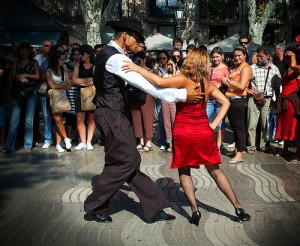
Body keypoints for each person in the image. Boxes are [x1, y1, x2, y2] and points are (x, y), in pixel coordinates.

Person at [83, 17, 202, 224]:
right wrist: (183, 96)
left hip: (113, 113)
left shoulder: (108, 54)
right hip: (112, 114)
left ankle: (153, 208)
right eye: (136, 39)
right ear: (125, 36)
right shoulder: (117, 59)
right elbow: (150, 87)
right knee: (126, 161)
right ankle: (94, 205)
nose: (138, 44)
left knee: (128, 161)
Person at [122, 47, 251, 225]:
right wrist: (213, 124)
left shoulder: (183, 79)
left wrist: (137, 68)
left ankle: (194, 210)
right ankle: (237, 207)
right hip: (203, 131)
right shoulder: (207, 83)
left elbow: (159, 81)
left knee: (184, 170)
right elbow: (225, 102)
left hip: (183, 130)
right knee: (215, 171)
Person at [3, 42, 40, 153]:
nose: (24, 52)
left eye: (26, 50)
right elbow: (13, 76)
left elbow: (37, 76)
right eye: (22, 50)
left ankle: (28, 144)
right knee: (14, 120)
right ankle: (9, 145)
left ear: (29, 52)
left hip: (31, 92)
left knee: (29, 120)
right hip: (18, 92)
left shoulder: (34, 62)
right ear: (19, 51)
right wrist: (19, 77)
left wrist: (27, 75)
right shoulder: (16, 62)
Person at [221, 45, 253, 163]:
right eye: (235, 56)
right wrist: (225, 80)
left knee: (239, 128)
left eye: (239, 55)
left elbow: (242, 86)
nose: (237, 58)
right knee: (235, 127)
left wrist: (229, 81)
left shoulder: (245, 68)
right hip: (231, 100)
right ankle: (236, 150)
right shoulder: (235, 67)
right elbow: (225, 78)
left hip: (238, 100)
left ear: (245, 55)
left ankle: (239, 153)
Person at [247, 47, 281, 153]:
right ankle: (251, 145)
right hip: (254, 98)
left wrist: (276, 100)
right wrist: (248, 89)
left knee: (265, 124)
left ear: (268, 56)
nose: (259, 58)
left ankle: (264, 145)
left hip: (268, 99)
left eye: (261, 56)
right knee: (251, 124)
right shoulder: (252, 68)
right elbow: (243, 81)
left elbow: (278, 86)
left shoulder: (274, 69)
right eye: (258, 56)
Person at [275, 46, 300, 163]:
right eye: (285, 56)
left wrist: (293, 55)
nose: (286, 58)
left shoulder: (297, 68)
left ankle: (297, 153)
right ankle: (285, 149)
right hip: (284, 101)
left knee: (294, 127)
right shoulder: (286, 70)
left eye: (288, 57)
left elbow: (294, 66)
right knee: (285, 125)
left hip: (293, 102)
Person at [45, 50, 72, 153]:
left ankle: (57, 144)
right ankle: (66, 138)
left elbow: (69, 86)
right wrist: (63, 83)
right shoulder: (48, 71)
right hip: (52, 97)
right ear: (56, 60)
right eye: (61, 59)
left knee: (59, 120)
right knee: (57, 119)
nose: (64, 61)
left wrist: (61, 84)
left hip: (62, 96)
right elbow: (52, 86)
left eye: (64, 59)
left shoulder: (64, 69)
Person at [131, 51, 155, 152]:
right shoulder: (132, 70)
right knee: (136, 118)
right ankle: (140, 141)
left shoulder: (151, 71)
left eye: (139, 60)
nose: (137, 62)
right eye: (135, 60)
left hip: (147, 96)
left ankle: (148, 142)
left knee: (147, 118)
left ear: (144, 60)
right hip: (134, 96)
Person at [72, 44, 95, 150]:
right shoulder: (78, 65)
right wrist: (88, 81)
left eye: (82, 54)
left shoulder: (95, 65)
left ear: (88, 54)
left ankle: (89, 141)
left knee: (91, 119)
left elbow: (97, 80)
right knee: (79, 119)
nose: (80, 56)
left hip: (92, 94)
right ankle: (82, 141)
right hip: (79, 94)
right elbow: (74, 80)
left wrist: (82, 81)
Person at [207, 47, 229, 149]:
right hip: (210, 98)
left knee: (220, 123)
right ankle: (210, 142)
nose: (215, 59)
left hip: (220, 98)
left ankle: (218, 146)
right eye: (213, 57)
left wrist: (224, 82)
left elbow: (229, 83)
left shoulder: (226, 69)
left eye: (217, 57)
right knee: (208, 120)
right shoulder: (209, 68)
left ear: (222, 56)